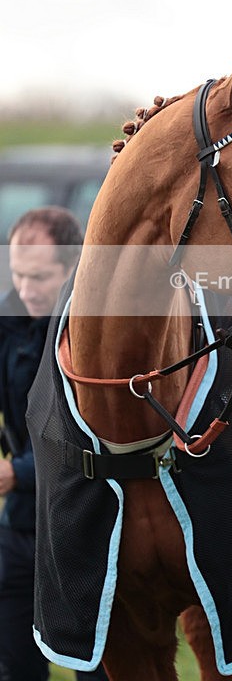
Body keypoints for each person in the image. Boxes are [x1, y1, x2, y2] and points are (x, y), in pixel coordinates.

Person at [0, 207, 108, 681]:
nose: (26, 289)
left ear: (71, 269)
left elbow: (91, 431)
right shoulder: (8, 320)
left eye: (39, 277)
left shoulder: (94, 331)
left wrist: (15, 471)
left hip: (83, 526)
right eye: (18, 275)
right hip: (22, 524)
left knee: (95, 669)